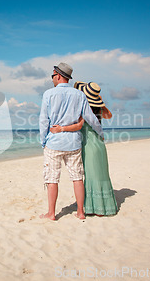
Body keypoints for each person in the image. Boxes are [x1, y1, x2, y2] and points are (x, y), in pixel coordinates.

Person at [39, 64, 104, 220]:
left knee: (52, 178)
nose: (52, 79)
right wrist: (100, 133)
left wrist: (43, 141)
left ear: (59, 76)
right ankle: (80, 212)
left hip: (54, 143)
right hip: (74, 143)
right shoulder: (79, 95)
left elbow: (43, 120)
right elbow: (90, 117)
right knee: (77, 177)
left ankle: (51, 213)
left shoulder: (48, 94)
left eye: (52, 76)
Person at [50, 81, 118, 216]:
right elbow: (108, 115)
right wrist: (101, 104)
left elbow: (79, 126)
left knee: (92, 176)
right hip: (99, 144)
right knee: (102, 175)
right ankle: (104, 207)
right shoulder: (98, 111)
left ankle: (95, 208)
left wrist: (60, 129)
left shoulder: (83, 111)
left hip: (89, 146)